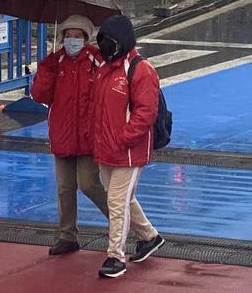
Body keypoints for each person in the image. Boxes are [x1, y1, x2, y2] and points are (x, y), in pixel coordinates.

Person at [90, 15, 165, 278]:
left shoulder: (140, 69)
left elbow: (146, 112)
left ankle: (115, 256)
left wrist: (124, 138)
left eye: (108, 42)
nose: (104, 47)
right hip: (107, 147)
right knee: (123, 198)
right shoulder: (105, 68)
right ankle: (148, 236)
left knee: (116, 202)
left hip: (128, 151)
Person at [31, 15, 111, 256]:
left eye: (77, 36)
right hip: (62, 133)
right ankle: (67, 235)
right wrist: (47, 68)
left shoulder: (97, 61)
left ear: (87, 38)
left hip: (87, 136)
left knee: (89, 184)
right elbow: (40, 95)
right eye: (68, 35)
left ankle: (121, 221)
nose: (72, 40)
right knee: (65, 188)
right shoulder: (56, 63)